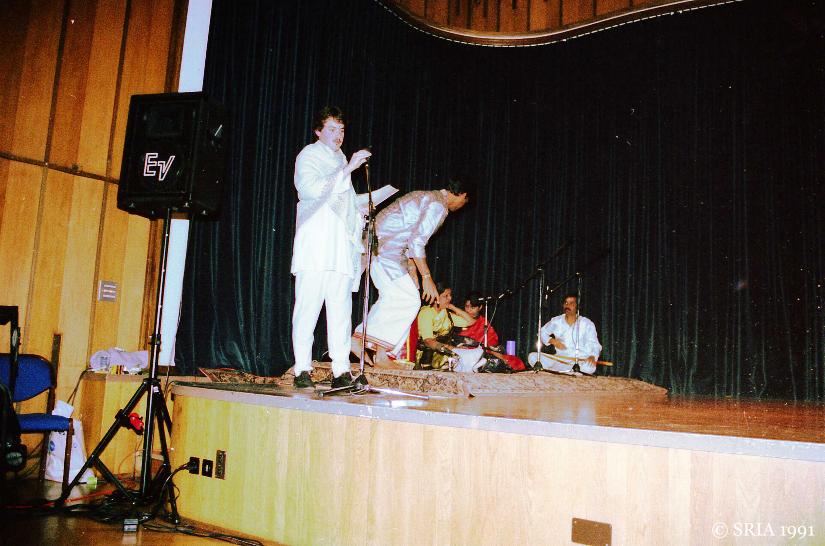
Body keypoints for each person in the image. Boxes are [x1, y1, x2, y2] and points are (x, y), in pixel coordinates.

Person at [290, 106, 372, 389]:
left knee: (340, 311)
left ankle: (341, 370)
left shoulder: (340, 160)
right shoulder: (309, 155)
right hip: (315, 246)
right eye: (332, 129)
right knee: (308, 308)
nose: (339, 135)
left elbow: (343, 203)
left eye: (342, 130)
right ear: (318, 131)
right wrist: (347, 169)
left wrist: (361, 211)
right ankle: (302, 369)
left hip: (338, 249)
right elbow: (310, 190)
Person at [352, 181, 469, 364]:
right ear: (463, 195)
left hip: (380, 250)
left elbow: (406, 232)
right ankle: (367, 344)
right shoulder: (437, 205)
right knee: (409, 300)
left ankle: (377, 350)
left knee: (394, 299)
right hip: (385, 252)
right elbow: (416, 241)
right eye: (465, 202)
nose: (462, 206)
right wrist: (426, 277)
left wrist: (412, 268)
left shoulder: (427, 196)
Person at [527, 292, 602, 375]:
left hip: (579, 360)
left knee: (589, 367)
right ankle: (568, 372)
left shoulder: (587, 323)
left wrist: (593, 356)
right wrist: (552, 341)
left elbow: (595, 344)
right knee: (533, 356)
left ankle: (559, 371)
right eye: (566, 303)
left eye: (571, 303)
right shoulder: (556, 321)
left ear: (578, 306)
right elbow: (542, 332)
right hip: (560, 359)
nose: (567, 306)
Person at [457, 292, 526, 371]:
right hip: (463, 351)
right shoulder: (458, 319)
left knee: (514, 361)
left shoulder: (483, 322)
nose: (469, 310)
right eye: (467, 306)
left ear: (480, 307)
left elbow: (492, 341)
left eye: (472, 307)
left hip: (481, 352)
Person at [415, 283, 476, 370]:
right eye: (445, 296)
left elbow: (471, 321)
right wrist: (454, 349)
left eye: (450, 295)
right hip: (427, 358)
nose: (450, 298)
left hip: (444, 354)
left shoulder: (446, 314)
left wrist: (453, 307)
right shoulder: (426, 313)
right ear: (435, 297)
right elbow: (428, 341)